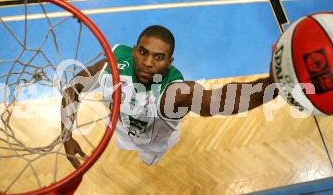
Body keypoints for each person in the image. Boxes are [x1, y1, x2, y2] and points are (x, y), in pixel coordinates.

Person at [61, 25, 278, 168]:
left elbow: (221, 100)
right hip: (119, 128)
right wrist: (67, 137)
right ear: (134, 50)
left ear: (169, 62)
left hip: (153, 143)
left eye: (159, 57)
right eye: (143, 52)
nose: (148, 62)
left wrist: (270, 86)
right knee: (124, 142)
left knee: (149, 162)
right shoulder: (114, 64)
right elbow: (73, 88)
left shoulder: (173, 94)